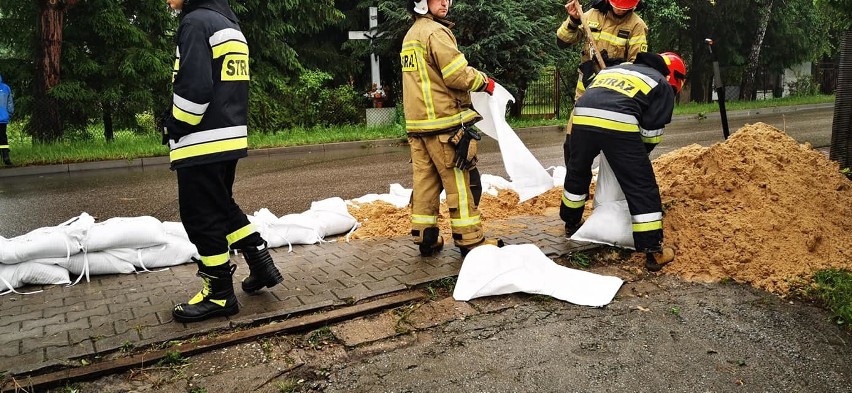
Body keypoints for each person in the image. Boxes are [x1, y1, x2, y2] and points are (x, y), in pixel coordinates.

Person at [164, 0, 283, 323]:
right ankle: (259, 261)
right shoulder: (228, 24)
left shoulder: (195, 23)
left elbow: (194, 89)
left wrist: (172, 124)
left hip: (200, 141)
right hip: (228, 136)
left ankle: (218, 294)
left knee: (201, 218)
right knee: (220, 204)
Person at [560, 52, 686, 272]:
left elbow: (592, 87)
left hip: (581, 115)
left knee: (577, 171)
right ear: (675, 77)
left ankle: (571, 222)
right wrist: (635, 159)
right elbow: (650, 134)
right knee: (641, 184)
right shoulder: (661, 84)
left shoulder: (616, 69)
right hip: (618, 120)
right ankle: (653, 252)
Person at [401, 0, 504, 257]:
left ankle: (426, 238)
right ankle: (470, 241)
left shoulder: (411, 35)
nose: (445, 2)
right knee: (462, 181)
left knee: (425, 182)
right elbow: (456, 74)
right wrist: (485, 82)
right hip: (444, 124)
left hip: (419, 126)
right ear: (422, 3)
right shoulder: (436, 32)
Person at [0, 73, 14, 166]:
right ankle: (6, 158)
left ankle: (5, 157)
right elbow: (10, 103)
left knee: (2, 138)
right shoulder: (5, 88)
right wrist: (9, 113)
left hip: (2, 118)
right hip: (3, 118)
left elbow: (10, 102)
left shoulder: (6, 88)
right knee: (3, 138)